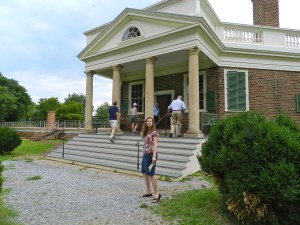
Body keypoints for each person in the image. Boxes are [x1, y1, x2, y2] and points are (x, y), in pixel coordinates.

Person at [140, 116, 161, 203]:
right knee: (145, 173)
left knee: (151, 174)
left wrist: (154, 156)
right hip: (145, 155)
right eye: (147, 121)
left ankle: (156, 193)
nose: (148, 122)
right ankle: (148, 191)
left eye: (150, 121)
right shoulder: (147, 132)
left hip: (151, 155)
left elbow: (155, 145)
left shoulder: (155, 133)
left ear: (153, 123)